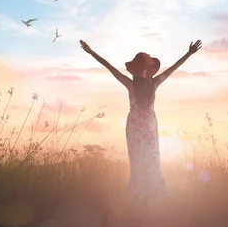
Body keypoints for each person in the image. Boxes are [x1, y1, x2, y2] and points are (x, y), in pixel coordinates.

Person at [79, 39, 202, 206]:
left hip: (134, 125)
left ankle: (139, 197)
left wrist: (91, 51)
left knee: (137, 160)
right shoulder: (154, 83)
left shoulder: (130, 84)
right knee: (152, 158)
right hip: (150, 124)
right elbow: (173, 68)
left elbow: (110, 67)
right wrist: (189, 53)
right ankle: (154, 196)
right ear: (149, 70)